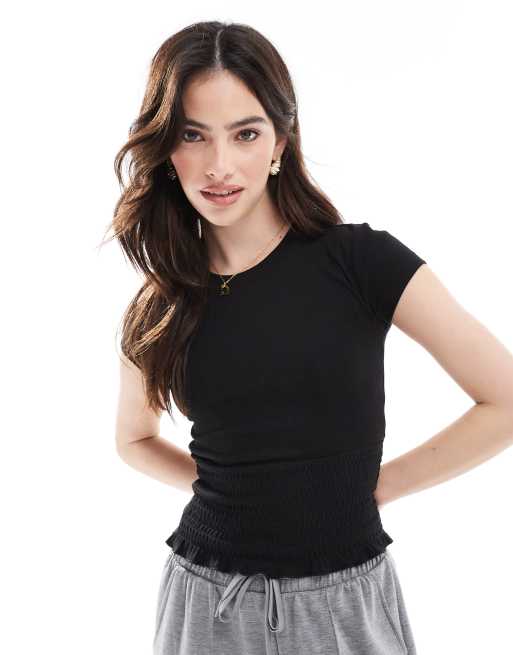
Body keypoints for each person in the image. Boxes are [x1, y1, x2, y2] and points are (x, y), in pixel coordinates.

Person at [108, 21, 513, 655]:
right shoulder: (163, 299)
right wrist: (230, 491)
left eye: (245, 134)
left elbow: (505, 398)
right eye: (193, 135)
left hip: (344, 603)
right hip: (207, 605)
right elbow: (133, 439)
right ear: (166, 150)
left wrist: (377, 487)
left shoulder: (361, 262)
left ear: (280, 142)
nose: (219, 165)